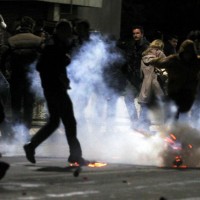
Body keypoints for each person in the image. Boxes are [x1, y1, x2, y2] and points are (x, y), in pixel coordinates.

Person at [23, 19, 88, 165]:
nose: (70, 34)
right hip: (55, 88)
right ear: (61, 31)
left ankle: (31, 146)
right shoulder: (53, 46)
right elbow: (44, 66)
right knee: (69, 122)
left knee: (54, 122)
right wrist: (63, 64)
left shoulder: (57, 44)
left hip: (53, 87)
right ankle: (75, 155)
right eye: (68, 31)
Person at [1, 16, 42, 137]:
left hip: (16, 76)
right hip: (30, 78)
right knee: (29, 104)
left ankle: (15, 130)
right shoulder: (38, 40)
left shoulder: (12, 40)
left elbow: (3, 57)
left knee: (16, 105)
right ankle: (26, 130)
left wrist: (5, 70)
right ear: (31, 26)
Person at [149, 39, 200, 119]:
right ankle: (170, 129)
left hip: (188, 93)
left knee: (184, 115)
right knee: (171, 114)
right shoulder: (174, 60)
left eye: (189, 53)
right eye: (186, 53)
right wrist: (151, 60)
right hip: (175, 91)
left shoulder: (196, 61)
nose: (187, 56)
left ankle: (181, 129)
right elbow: (161, 62)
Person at [120, 25, 149, 124]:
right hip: (132, 77)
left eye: (137, 33)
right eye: (134, 33)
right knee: (128, 98)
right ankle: (135, 122)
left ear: (142, 34)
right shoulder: (131, 45)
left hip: (143, 78)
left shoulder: (146, 46)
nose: (135, 35)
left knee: (144, 102)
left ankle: (142, 123)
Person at [138, 39, 166, 129]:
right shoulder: (160, 54)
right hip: (157, 84)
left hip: (145, 85)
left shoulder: (144, 56)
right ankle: (166, 130)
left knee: (145, 106)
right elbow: (166, 69)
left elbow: (140, 73)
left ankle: (143, 127)